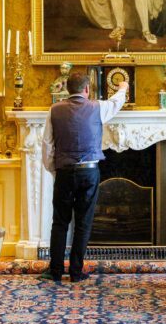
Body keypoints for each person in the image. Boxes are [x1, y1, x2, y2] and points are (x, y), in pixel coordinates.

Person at [41, 72, 129, 282]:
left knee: (60, 222)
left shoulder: (54, 110)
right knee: (83, 222)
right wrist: (123, 87)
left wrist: (54, 169)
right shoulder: (98, 107)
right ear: (87, 89)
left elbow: (47, 146)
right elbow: (116, 102)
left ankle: (55, 271)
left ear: (67, 89)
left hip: (64, 171)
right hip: (89, 172)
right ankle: (76, 271)